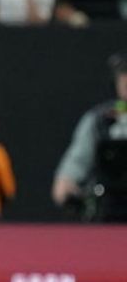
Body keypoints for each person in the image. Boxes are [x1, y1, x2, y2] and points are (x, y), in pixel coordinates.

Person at [52, 51, 127, 222]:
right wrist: (65, 180)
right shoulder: (100, 119)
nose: (125, 80)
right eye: (122, 74)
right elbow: (78, 158)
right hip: (110, 205)